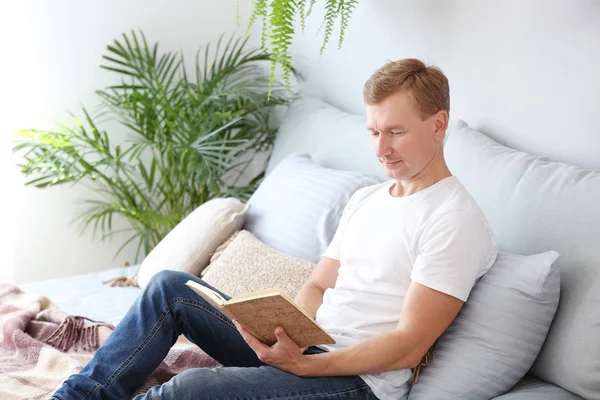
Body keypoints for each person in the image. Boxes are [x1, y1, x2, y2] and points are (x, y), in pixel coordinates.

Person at [51, 58, 497, 400]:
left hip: (357, 383)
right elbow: (320, 284)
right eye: (373, 131)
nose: (380, 148)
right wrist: (290, 338)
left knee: (191, 389)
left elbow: (407, 346)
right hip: (309, 352)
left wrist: (305, 367)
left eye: (395, 132)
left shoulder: (453, 219)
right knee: (169, 288)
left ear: (437, 125)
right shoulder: (369, 199)